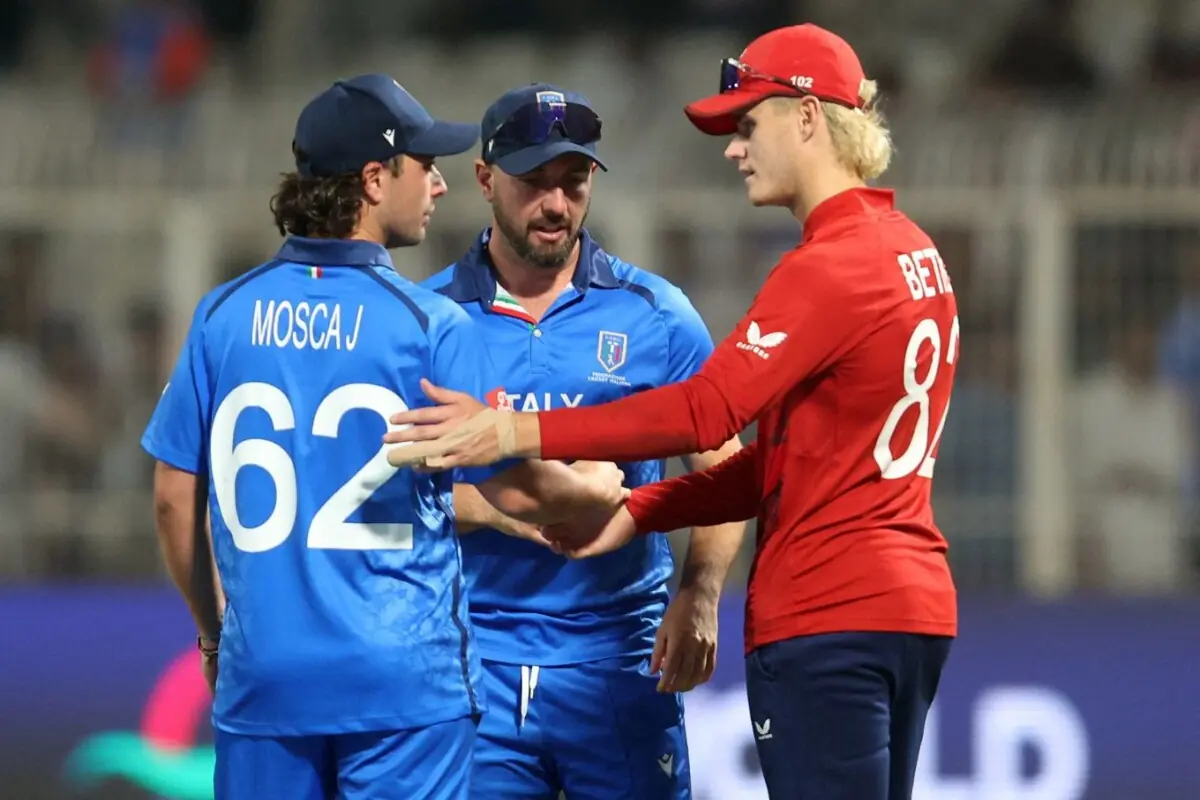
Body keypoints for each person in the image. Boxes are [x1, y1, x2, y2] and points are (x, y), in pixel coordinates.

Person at [385, 24, 960, 800]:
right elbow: (783, 461)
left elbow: (708, 414)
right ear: (487, 180)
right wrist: (635, 508)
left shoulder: (795, 275)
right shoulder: (912, 251)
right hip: (900, 601)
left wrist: (517, 433)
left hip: (796, 616)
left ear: (806, 117)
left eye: (746, 124)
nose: (733, 148)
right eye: (533, 179)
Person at [141, 74, 626, 800]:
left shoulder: (221, 315)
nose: (437, 185)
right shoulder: (431, 326)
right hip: (403, 686)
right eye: (423, 166)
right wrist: (596, 485)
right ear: (374, 179)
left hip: (265, 679)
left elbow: (174, 501)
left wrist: (215, 637)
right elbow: (518, 487)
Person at [421, 83, 746, 799]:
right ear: (484, 180)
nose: (555, 205)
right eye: (534, 183)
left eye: (572, 183)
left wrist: (700, 591)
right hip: (476, 663)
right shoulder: (431, 319)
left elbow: (726, 471)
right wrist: (511, 512)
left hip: (622, 662)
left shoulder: (656, 317)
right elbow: (392, 494)